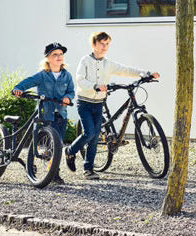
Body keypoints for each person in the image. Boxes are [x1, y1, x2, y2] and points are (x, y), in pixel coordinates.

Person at [66, 31, 158, 178]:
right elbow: (79, 79)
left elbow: (126, 70)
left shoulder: (108, 64)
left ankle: (88, 169)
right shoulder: (85, 61)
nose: (104, 47)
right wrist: (95, 85)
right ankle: (70, 151)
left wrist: (146, 73)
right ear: (94, 45)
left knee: (95, 137)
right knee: (89, 133)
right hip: (84, 102)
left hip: (98, 103)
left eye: (107, 44)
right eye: (101, 44)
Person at [12, 43, 75, 184]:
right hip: (45, 113)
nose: (59, 57)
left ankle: (54, 173)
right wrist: (18, 88)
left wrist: (68, 98)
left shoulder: (67, 76)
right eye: (55, 54)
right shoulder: (42, 75)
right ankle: (42, 170)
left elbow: (71, 91)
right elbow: (29, 82)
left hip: (61, 114)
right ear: (48, 58)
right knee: (45, 143)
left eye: (61, 54)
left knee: (57, 145)